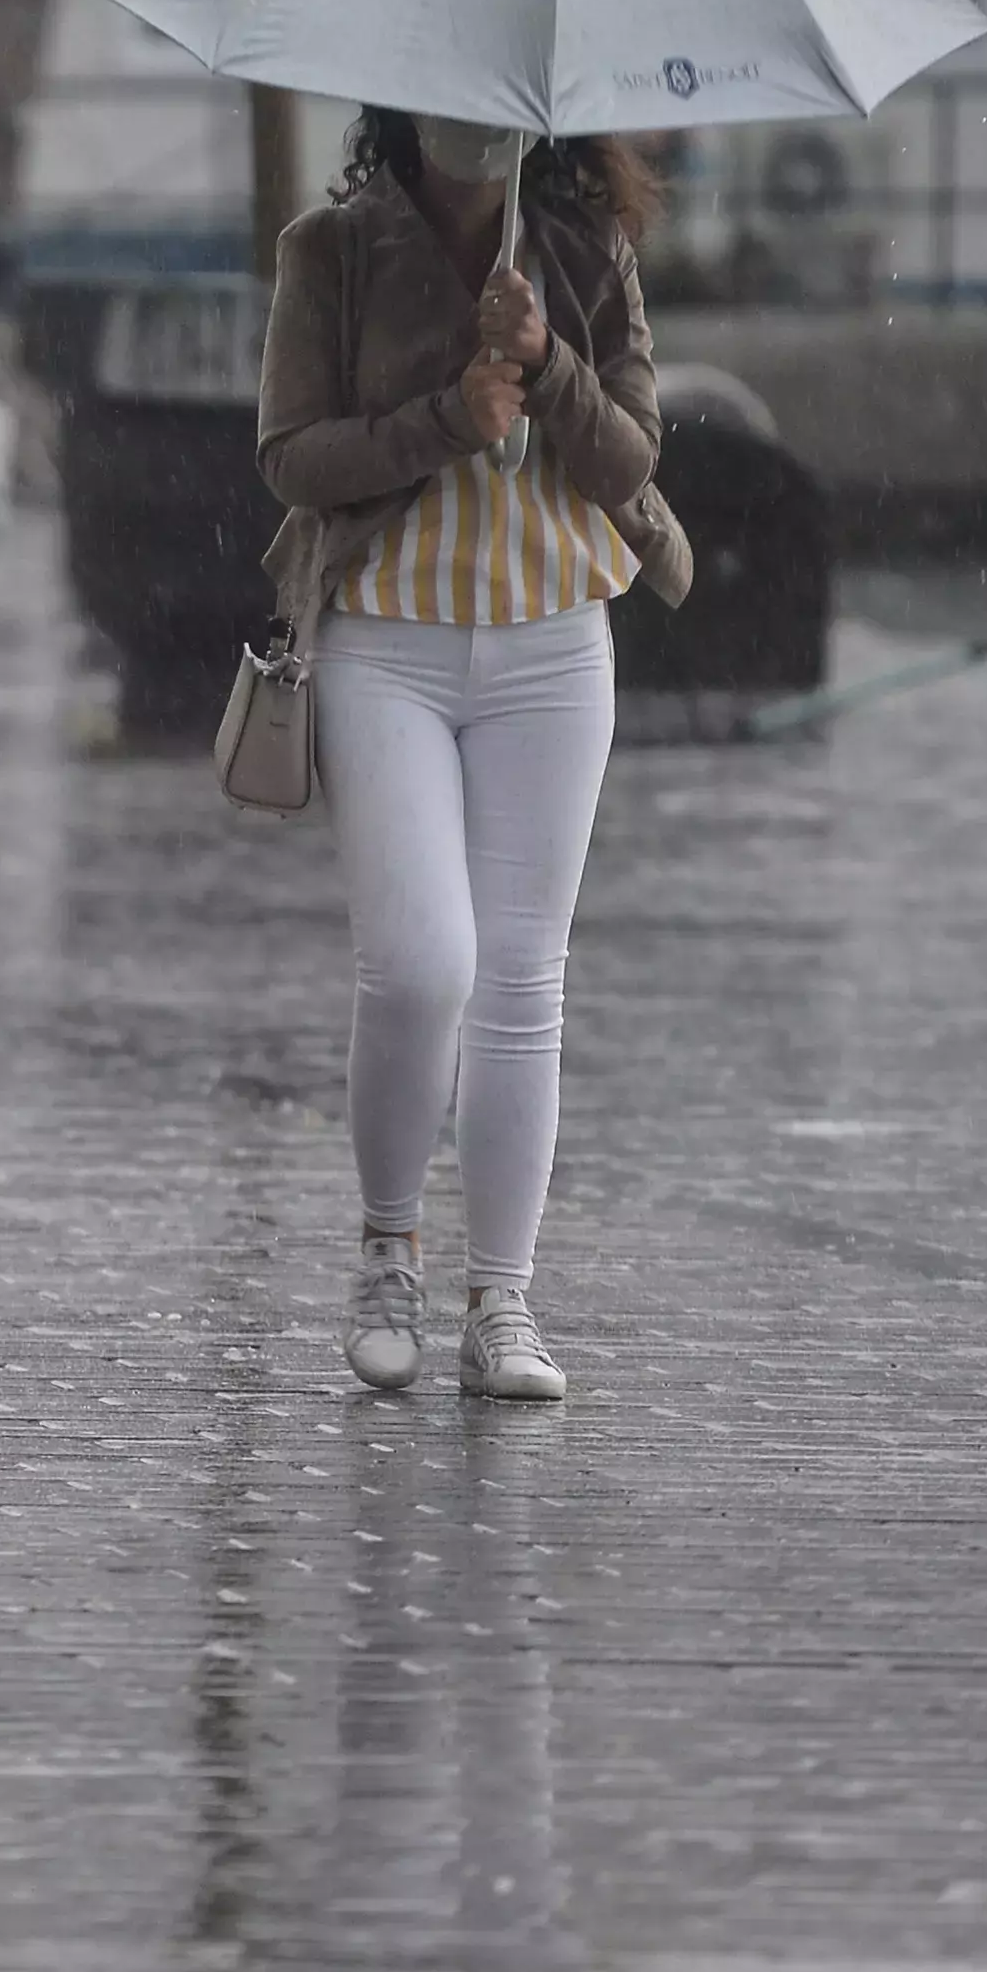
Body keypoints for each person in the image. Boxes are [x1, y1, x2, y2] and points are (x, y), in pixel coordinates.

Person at [253, 110, 690, 1402]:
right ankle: (389, 1244)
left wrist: (548, 361)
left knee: (520, 976)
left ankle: (503, 1295)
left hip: (555, 644)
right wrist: (450, 411)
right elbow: (291, 456)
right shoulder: (328, 249)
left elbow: (632, 454)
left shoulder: (584, 244)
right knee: (419, 960)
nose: (475, 134)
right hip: (388, 636)